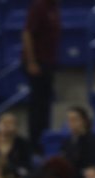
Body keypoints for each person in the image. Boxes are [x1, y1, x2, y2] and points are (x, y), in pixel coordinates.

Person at [23, 0, 60, 155]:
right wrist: (31, 61)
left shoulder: (55, 7)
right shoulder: (39, 6)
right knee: (37, 106)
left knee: (45, 105)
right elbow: (27, 33)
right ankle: (34, 144)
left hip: (48, 62)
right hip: (38, 62)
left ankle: (43, 141)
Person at [61, 106, 95, 173]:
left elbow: (92, 163)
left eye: (74, 120)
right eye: (69, 120)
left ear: (84, 121)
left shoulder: (93, 139)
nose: (71, 123)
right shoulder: (67, 141)